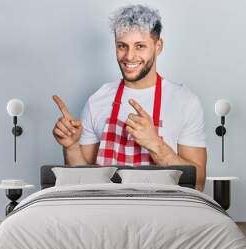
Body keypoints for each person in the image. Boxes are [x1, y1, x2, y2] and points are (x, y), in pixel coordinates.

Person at [52, 5, 207, 191]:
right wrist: (72, 147)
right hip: (107, 212)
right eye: (122, 46)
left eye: (140, 46)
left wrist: (154, 143)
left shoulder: (185, 101)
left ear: (158, 47)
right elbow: (84, 183)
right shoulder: (97, 100)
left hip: (162, 214)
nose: (129, 56)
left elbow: (197, 183)